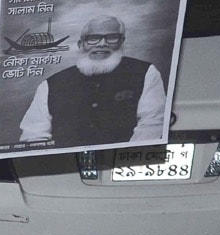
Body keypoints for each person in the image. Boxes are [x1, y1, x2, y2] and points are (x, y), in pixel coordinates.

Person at [18, 15, 166, 148]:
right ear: (80, 44)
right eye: (93, 38)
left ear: (122, 41)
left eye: (112, 37)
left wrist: (122, 159)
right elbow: (34, 135)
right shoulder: (51, 84)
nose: (102, 44)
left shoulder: (145, 72)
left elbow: (152, 125)